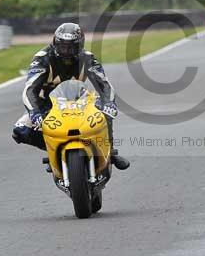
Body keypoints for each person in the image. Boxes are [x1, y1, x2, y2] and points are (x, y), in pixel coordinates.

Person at [11, 23, 130, 170]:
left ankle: (109, 152)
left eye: (71, 47)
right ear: (55, 43)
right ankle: (54, 150)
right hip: (50, 105)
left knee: (106, 113)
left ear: (80, 45)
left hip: (82, 102)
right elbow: (30, 90)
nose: (66, 51)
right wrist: (34, 112)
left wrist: (109, 103)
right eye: (62, 46)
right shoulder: (42, 59)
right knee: (19, 131)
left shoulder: (88, 58)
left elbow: (104, 84)